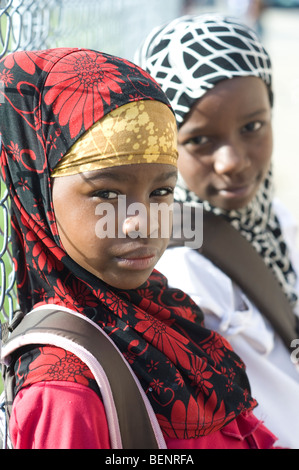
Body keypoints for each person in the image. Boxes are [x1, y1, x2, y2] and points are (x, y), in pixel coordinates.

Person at [0, 47, 279, 449]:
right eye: (108, 194)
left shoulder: (164, 309)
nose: (141, 222)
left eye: (161, 190)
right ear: (38, 193)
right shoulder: (66, 391)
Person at [135, 14, 299, 448]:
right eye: (200, 140)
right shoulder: (176, 266)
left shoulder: (273, 218)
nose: (233, 161)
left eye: (252, 127)